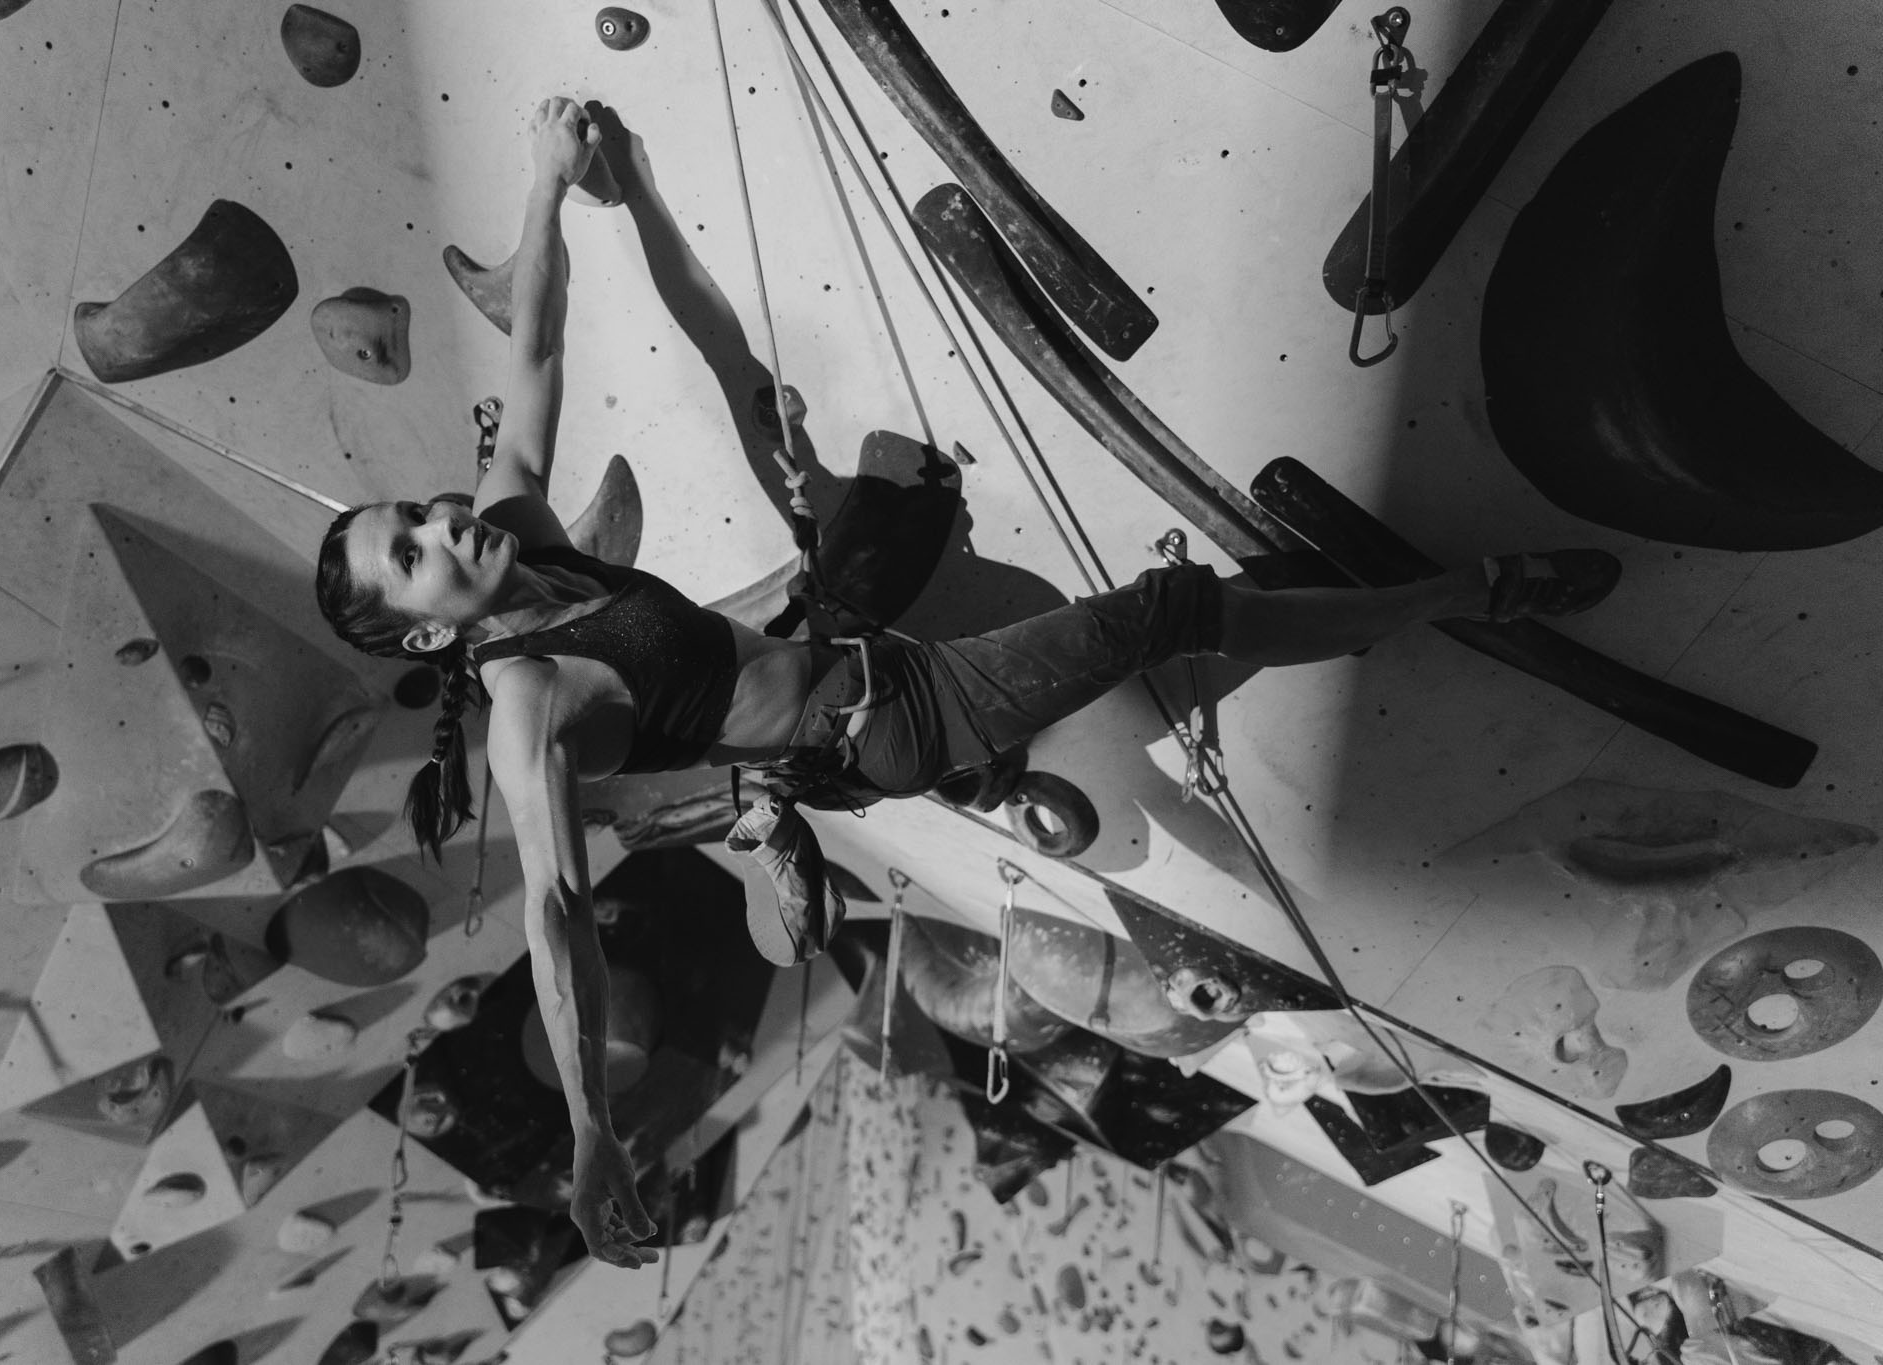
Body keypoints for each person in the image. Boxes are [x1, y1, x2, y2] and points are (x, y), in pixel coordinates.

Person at [313, 96, 1623, 1269]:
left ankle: (1200, 665)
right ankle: (1477, 590)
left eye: (414, 511)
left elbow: (533, 347)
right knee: (1173, 612)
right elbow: (553, 912)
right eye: (412, 555)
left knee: (859, 486)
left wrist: (559, 183)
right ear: (426, 635)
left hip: (868, 660)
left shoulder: (522, 536)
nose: (442, 524)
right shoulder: (531, 708)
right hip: (893, 724)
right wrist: (596, 1134)